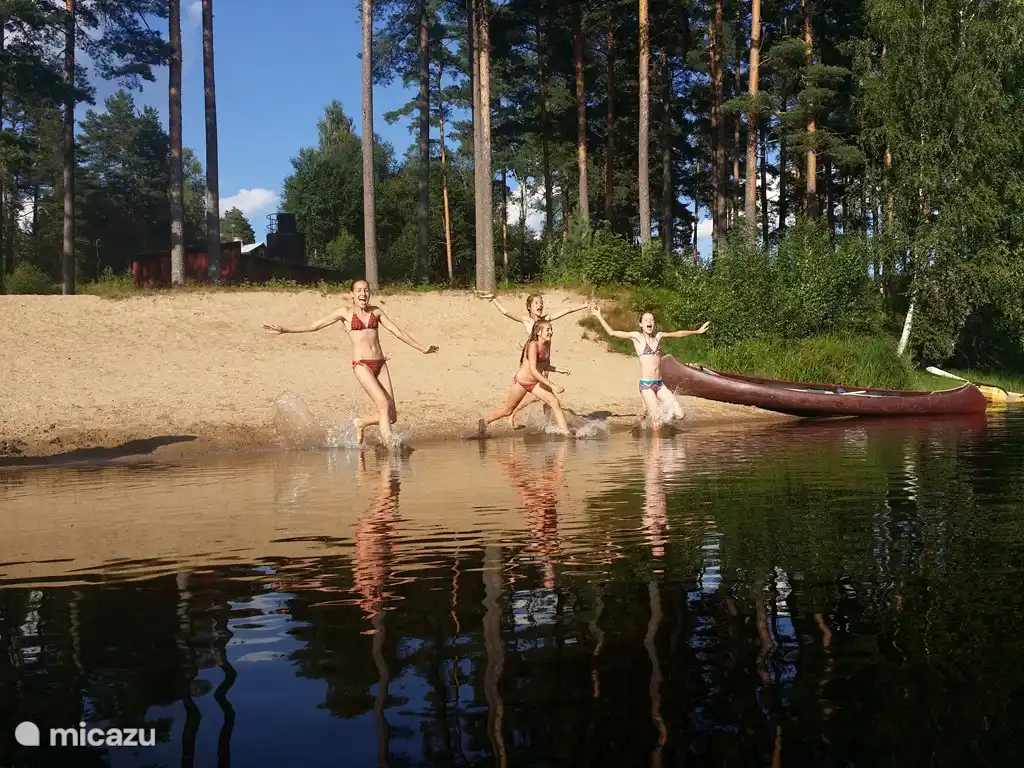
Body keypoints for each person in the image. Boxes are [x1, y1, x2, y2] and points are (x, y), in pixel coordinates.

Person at [263, 279, 439, 446]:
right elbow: (315, 325)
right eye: (359, 291)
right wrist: (284, 329)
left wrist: (422, 348)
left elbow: (397, 331)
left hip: (380, 364)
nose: (363, 294)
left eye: (366, 290)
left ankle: (361, 422)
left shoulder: (376, 311)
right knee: (383, 405)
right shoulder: (344, 313)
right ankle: (391, 447)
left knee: (391, 416)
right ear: (352, 294)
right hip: (362, 365)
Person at [477, 291, 589, 427]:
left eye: (541, 302)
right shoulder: (527, 321)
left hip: (542, 361)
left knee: (548, 398)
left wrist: (583, 306)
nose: (540, 305)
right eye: (536, 303)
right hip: (530, 363)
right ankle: (512, 415)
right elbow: (506, 313)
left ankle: (552, 426)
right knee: (533, 395)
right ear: (529, 306)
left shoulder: (546, 320)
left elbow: (567, 311)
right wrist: (494, 299)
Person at [590, 305, 709, 427]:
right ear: (641, 324)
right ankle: (654, 431)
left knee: (680, 414)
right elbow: (612, 333)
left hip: (660, 384)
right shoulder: (637, 337)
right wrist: (599, 315)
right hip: (647, 386)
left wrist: (697, 331)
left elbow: (677, 333)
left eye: (651, 320)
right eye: (646, 320)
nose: (649, 322)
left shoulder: (658, 337)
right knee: (657, 423)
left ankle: (653, 418)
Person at [478, 319, 573, 437]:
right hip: (522, 382)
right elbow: (533, 370)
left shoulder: (548, 343)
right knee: (508, 411)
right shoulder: (533, 345)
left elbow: (544, 365)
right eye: (548, 329)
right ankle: (485, 421)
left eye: (551, 329)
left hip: (535, 383)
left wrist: (559, 369)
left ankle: (566, 433)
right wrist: (551, 384)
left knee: (554, 402)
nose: (551, 332)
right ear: (539, 332)